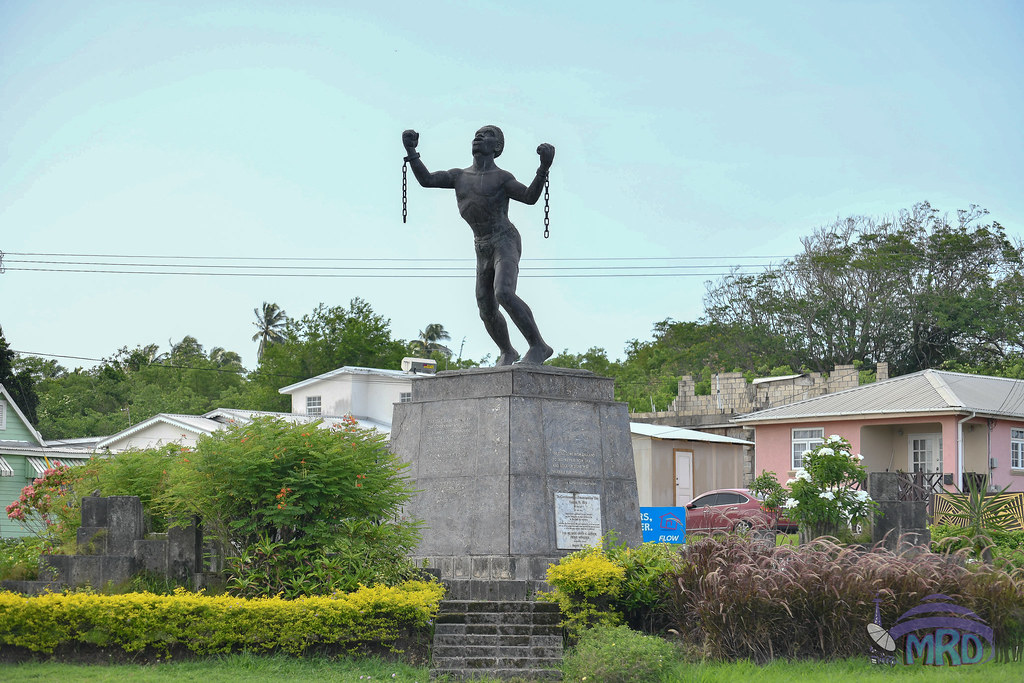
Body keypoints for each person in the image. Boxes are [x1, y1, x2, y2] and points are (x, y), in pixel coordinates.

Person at [402, 125, 554, 365]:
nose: (479, 137)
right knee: (485, 307)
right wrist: (411, 151)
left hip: (504, 240)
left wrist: (543, 168)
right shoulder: (459, 176)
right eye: (477, 134)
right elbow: (427, 180)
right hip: (481, 246)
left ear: (497, 147)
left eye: (488, 134)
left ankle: (539, 346)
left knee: (503, 292)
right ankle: (507, 351)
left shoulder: (502, 178)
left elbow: (529, 197)